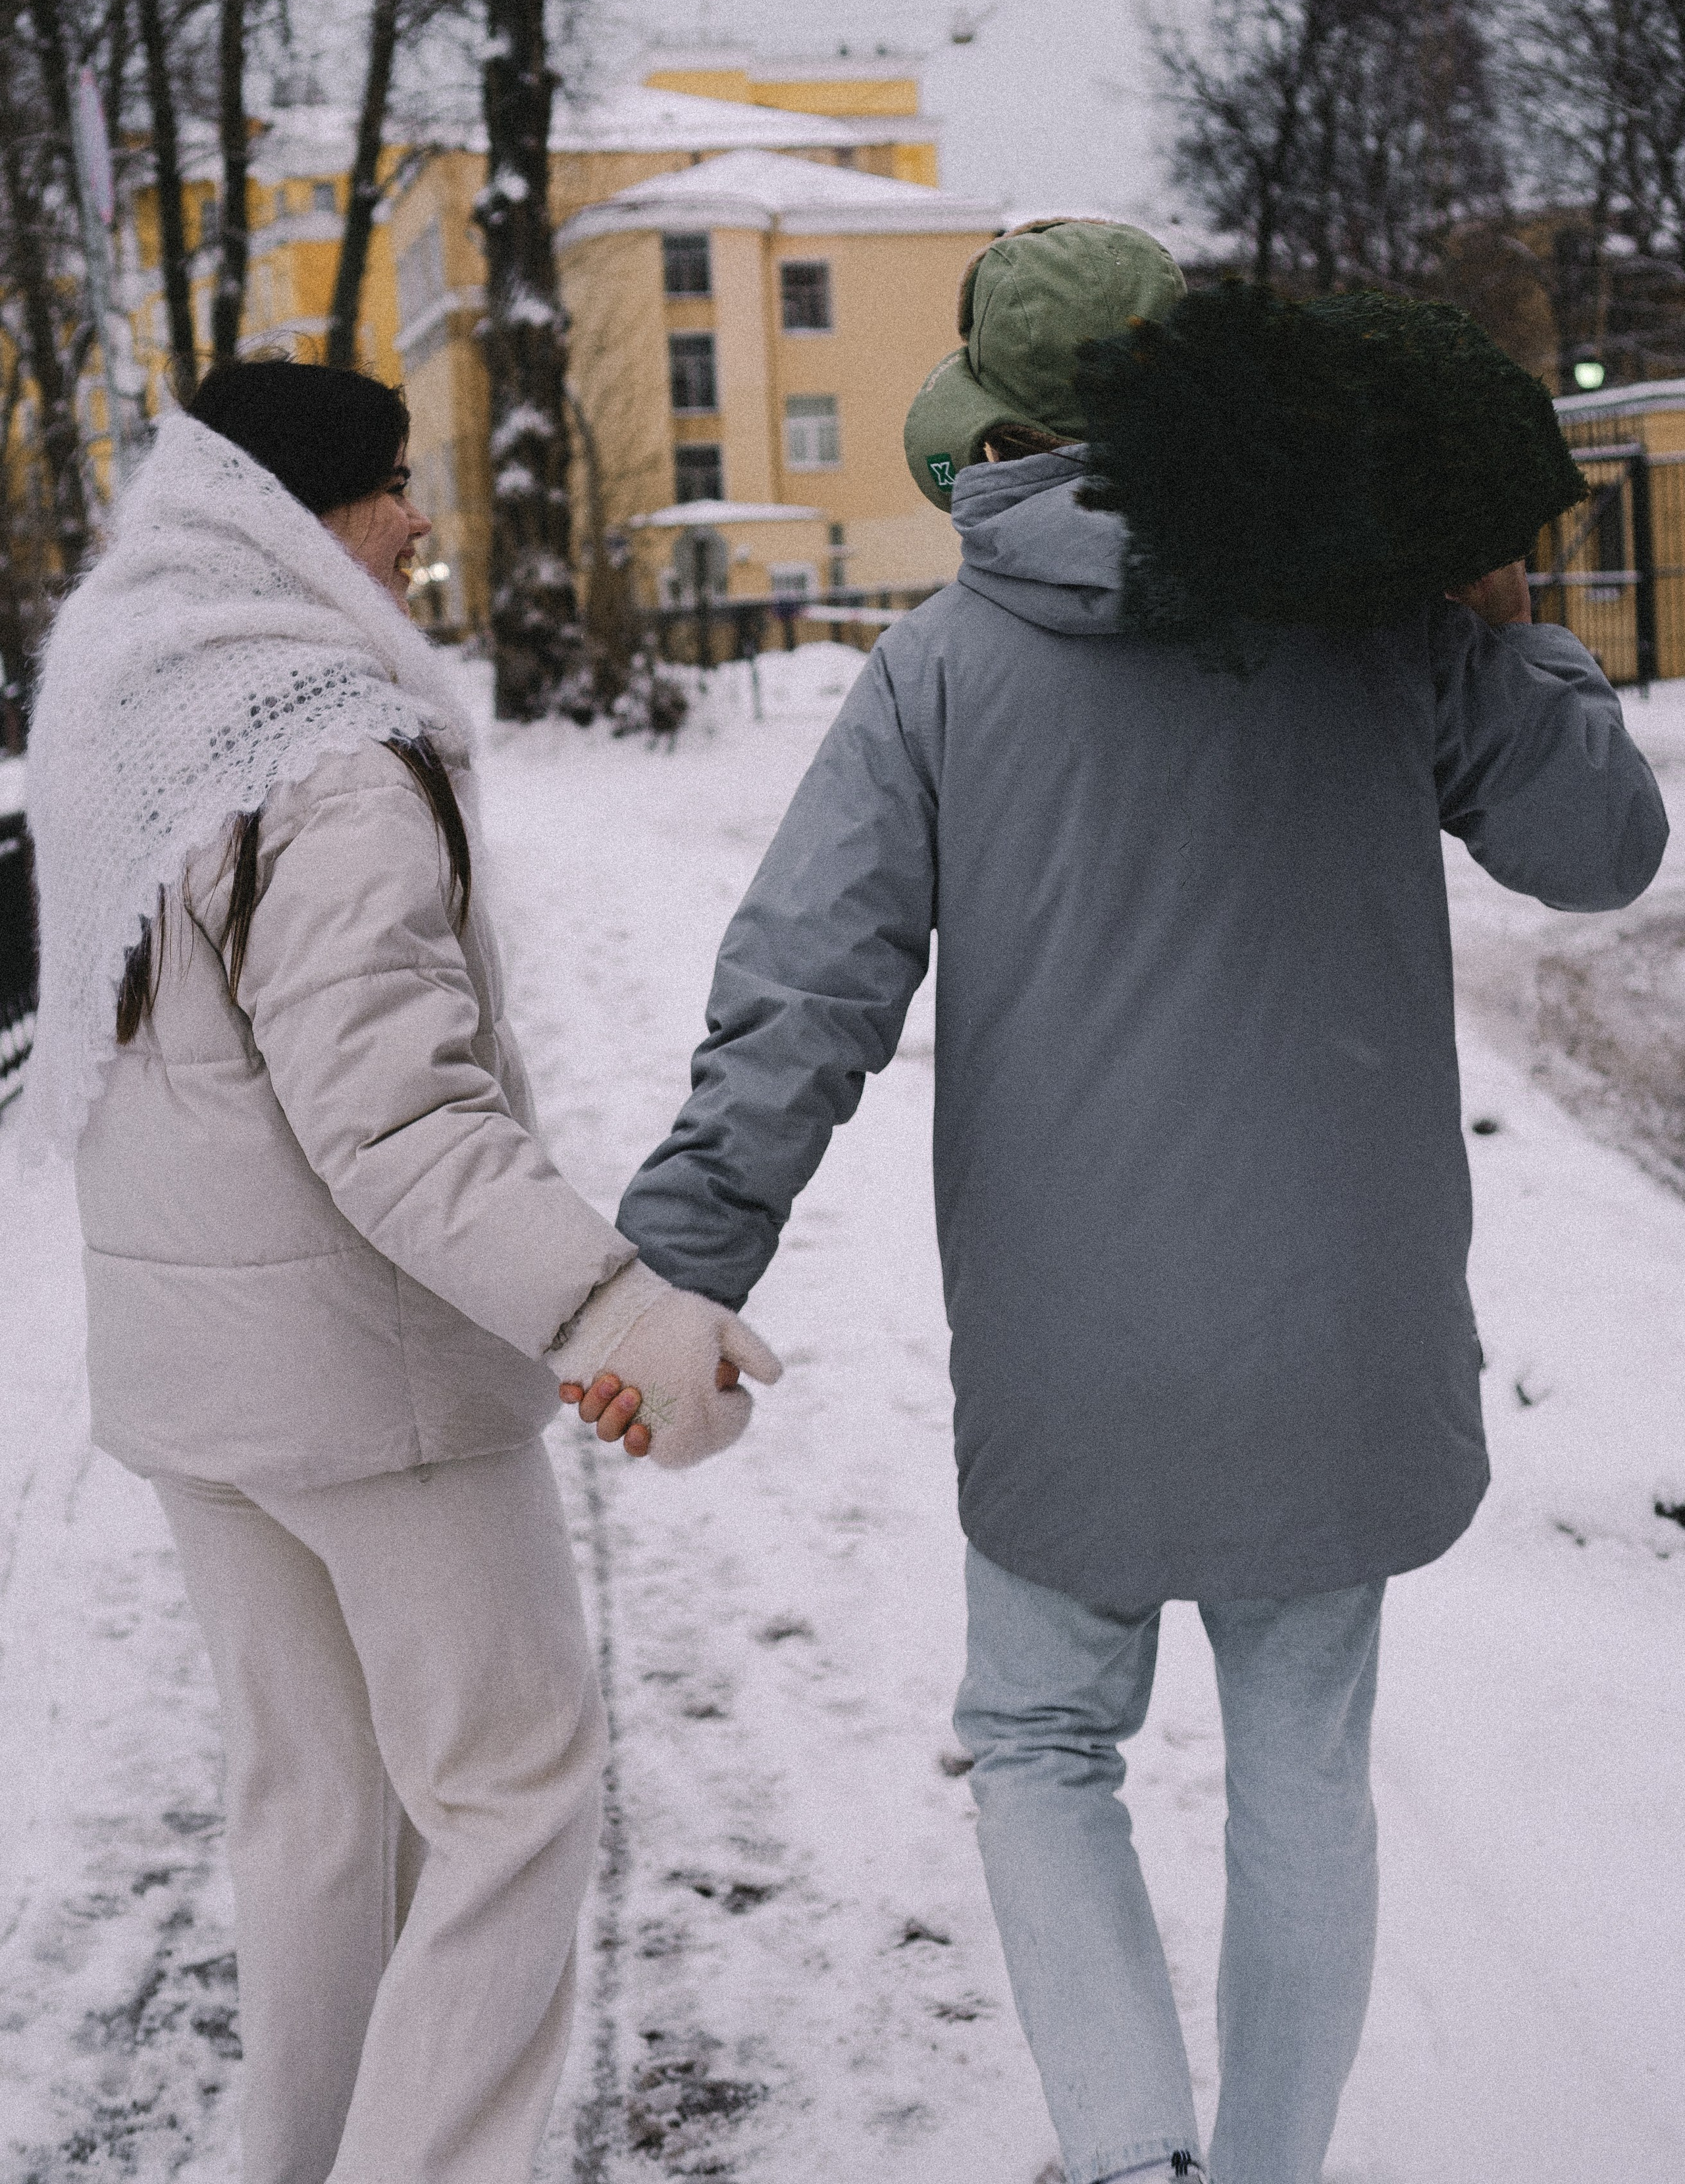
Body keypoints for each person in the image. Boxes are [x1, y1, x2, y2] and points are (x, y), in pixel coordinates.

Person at [575, 227, 1669, 2184]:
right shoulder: (1378, 618)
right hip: (1345, 1322)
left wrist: (679, 1260)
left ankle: (1134, 2154)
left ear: (993, 424)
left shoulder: (938, 670)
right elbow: (1600, 847)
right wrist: (1511, 620)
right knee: (1307, 1770)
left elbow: (804, 990)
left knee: (1043, 1743)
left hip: (1077, 1343)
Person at [22, 360, 778, 2184]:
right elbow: (396, 1119)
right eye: (390, 486)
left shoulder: (122, 699)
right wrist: (609, 1307)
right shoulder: (326, 750)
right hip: (373, 1386)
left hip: (196, 1388)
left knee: (314, 1815)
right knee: (513, 1788)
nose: (422, 522)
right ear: (293, 516)